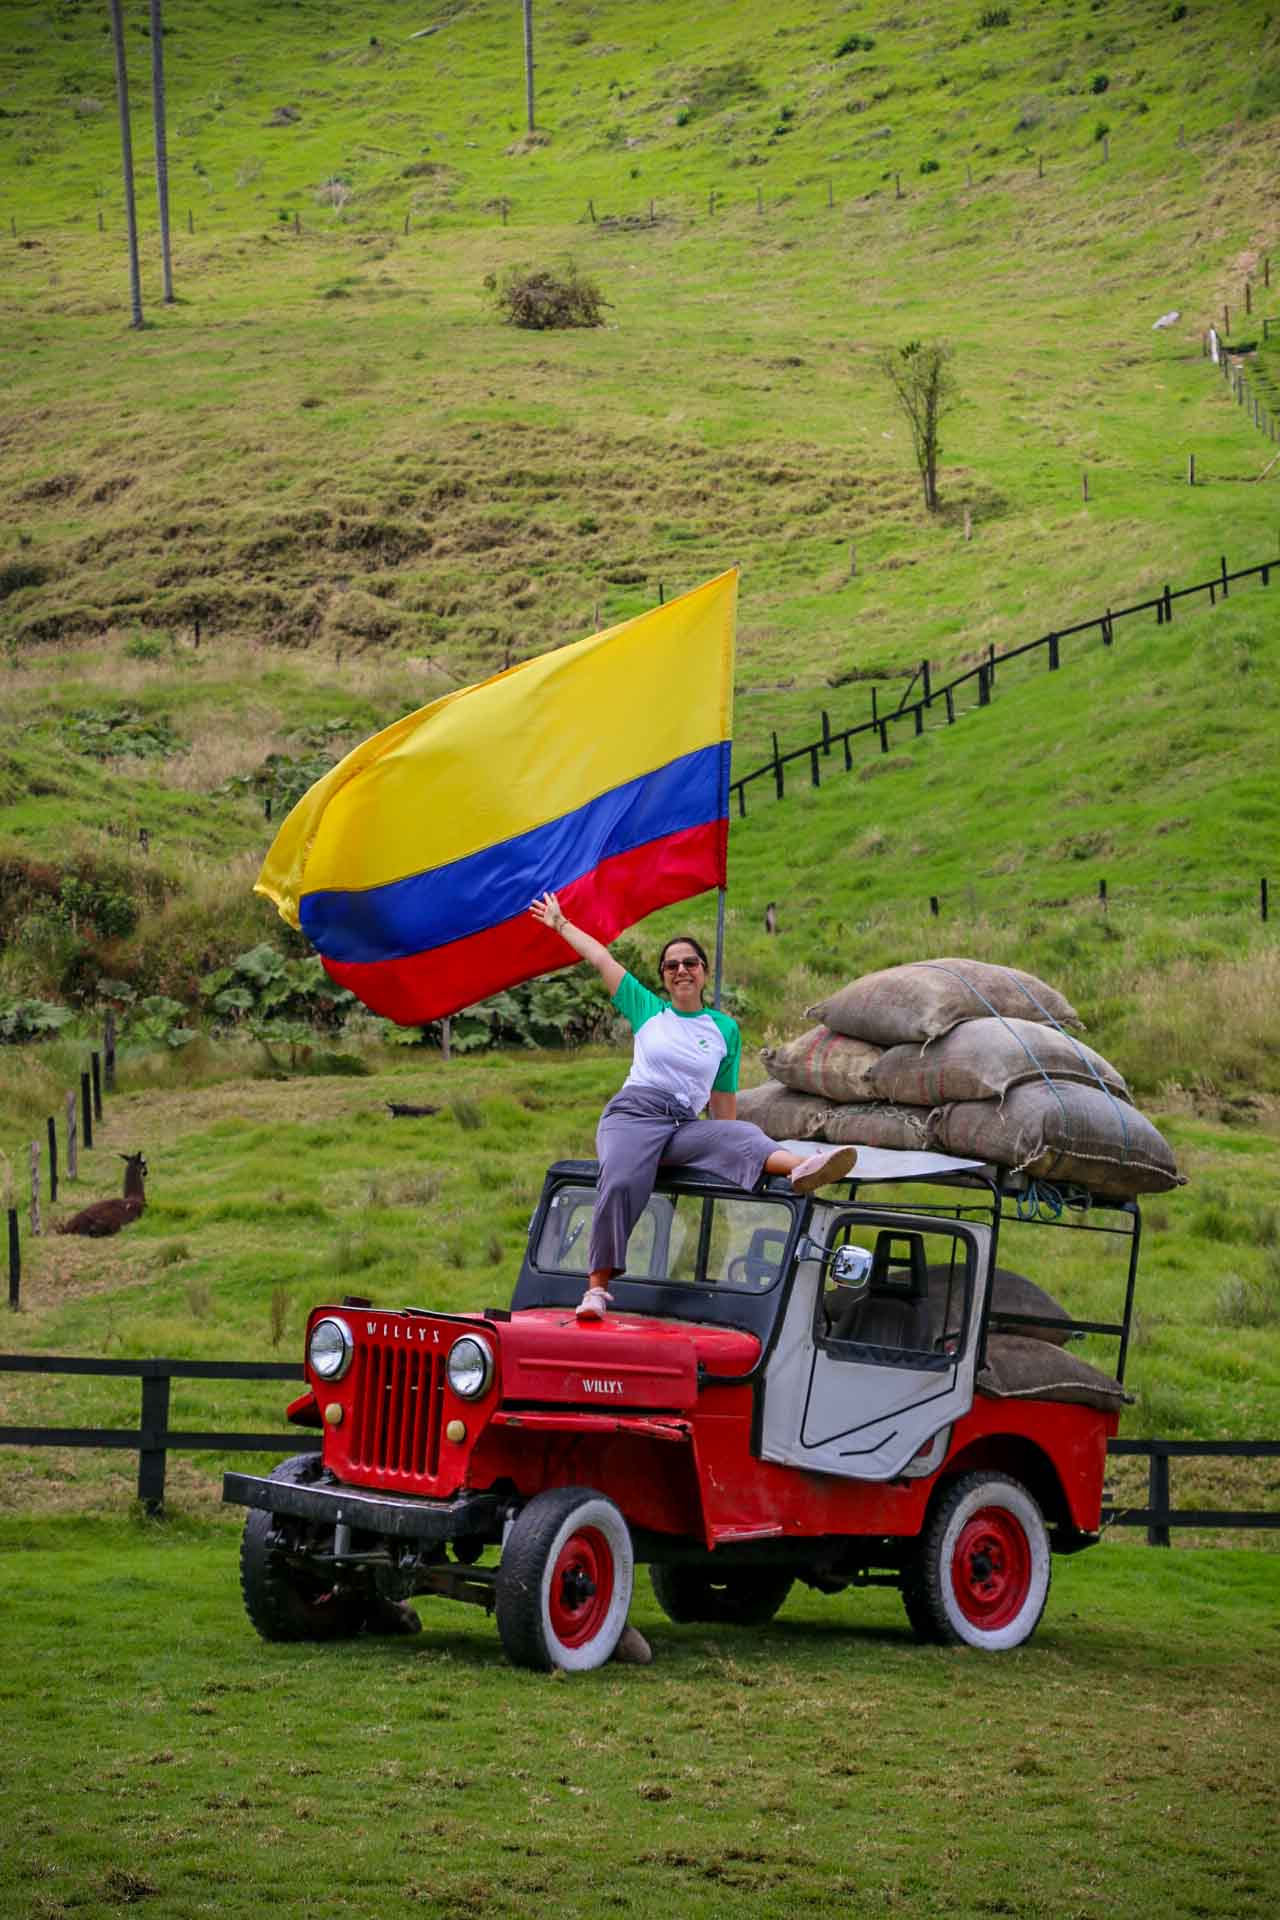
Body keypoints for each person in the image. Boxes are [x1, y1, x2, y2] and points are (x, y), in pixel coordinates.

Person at [529, 893, 857, 1320]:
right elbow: (600, 959)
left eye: (690, 963)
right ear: (664, 978)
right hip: (634, 1115)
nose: (681, 969)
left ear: (703, 973)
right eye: (671, 965)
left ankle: (803, 1167)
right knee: (621, 1179)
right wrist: (559, 922)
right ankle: (596, 1288)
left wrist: (724, 1149)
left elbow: (723, 1108)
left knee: (741, 1134)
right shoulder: (646, 1008)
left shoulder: (724, 1030)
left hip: (683, 1125)